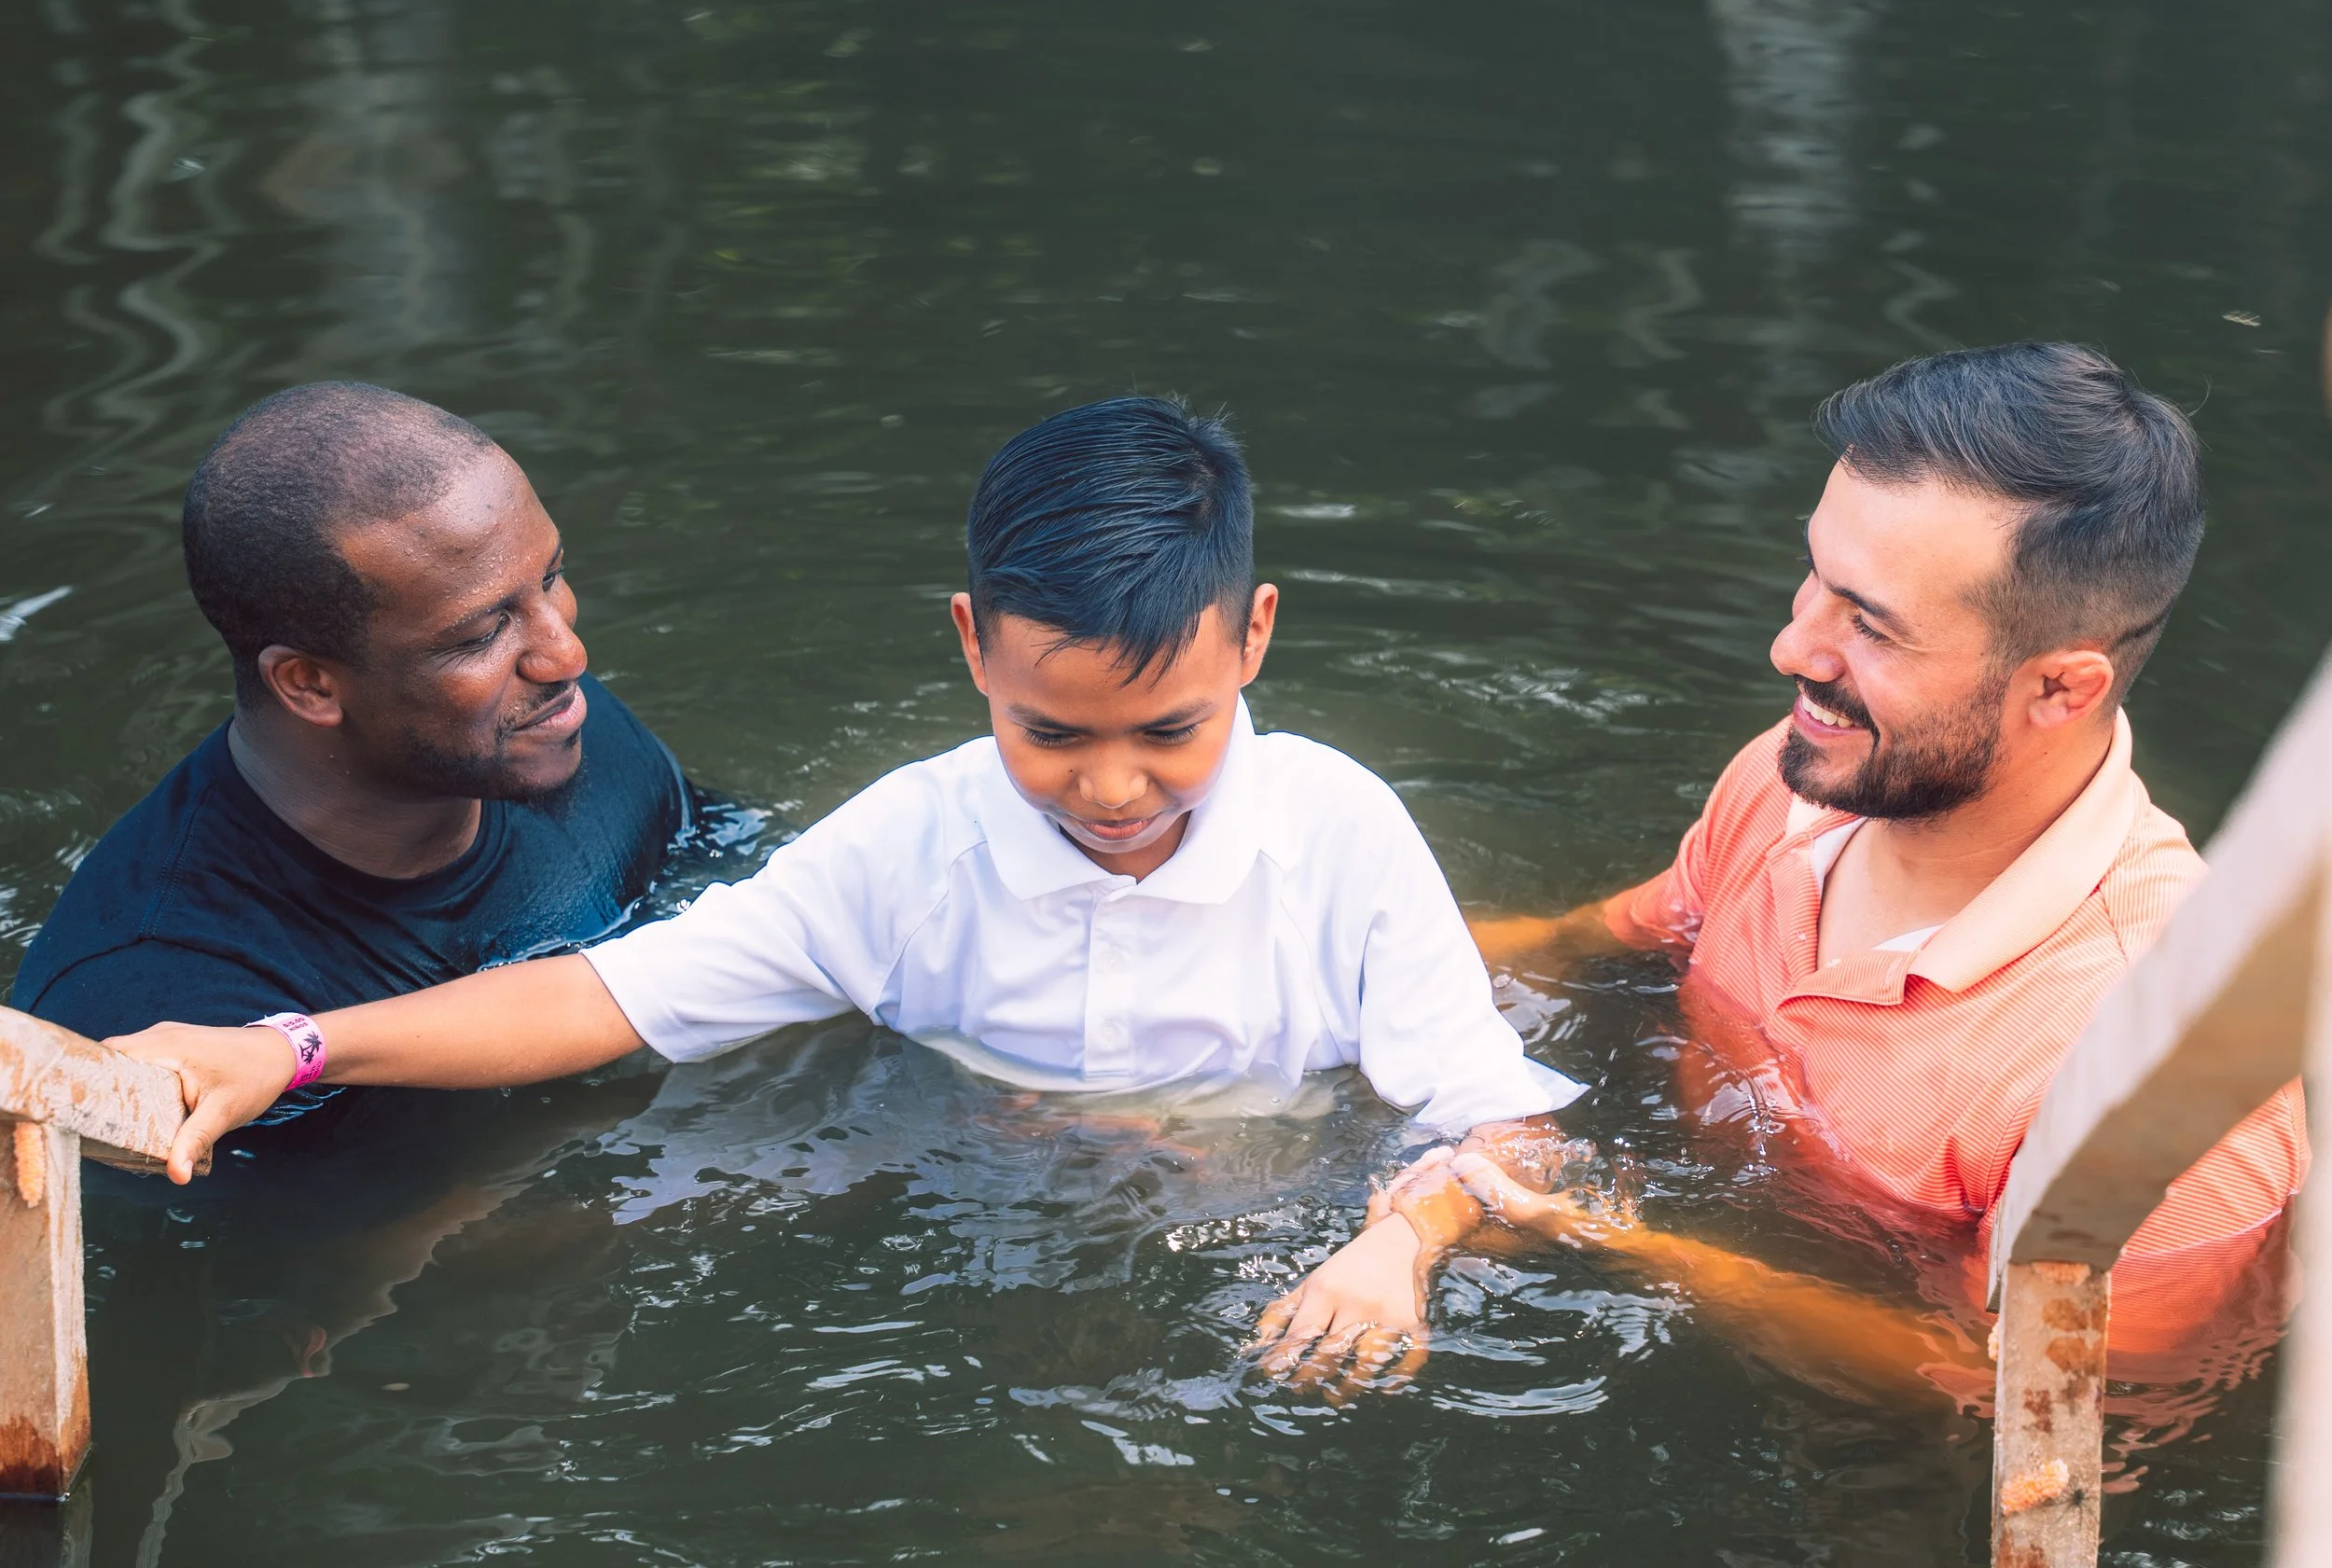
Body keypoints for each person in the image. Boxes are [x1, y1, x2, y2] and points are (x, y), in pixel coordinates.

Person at [110, 395, 1585, 1396]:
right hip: (991, 1232)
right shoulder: (905, 847)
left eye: (1172, 732)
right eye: (1052, 734)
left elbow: (1508, 1123)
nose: (1117, 789)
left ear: (1255, 634)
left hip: (1289, 1235)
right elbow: (605, 994)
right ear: (972, 650)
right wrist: (293, 1044)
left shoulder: (1340, 833)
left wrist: (1400, 1245)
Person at [1415, 342, 2308, 1389]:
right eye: (1816, 578)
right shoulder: (1806, 776)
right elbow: (1614, 936)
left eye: (1869, 626)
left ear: (2062, 689)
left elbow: (2043, 1399)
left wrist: (1617, 1245)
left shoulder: (2166, 1067)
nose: (1792, 649)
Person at [11, 380, 694, 1076]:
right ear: (310, 684)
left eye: (551, 578)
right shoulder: (168, 1002)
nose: (567, 655)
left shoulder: (548, 725)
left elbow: (740, 903)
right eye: (486, 632)